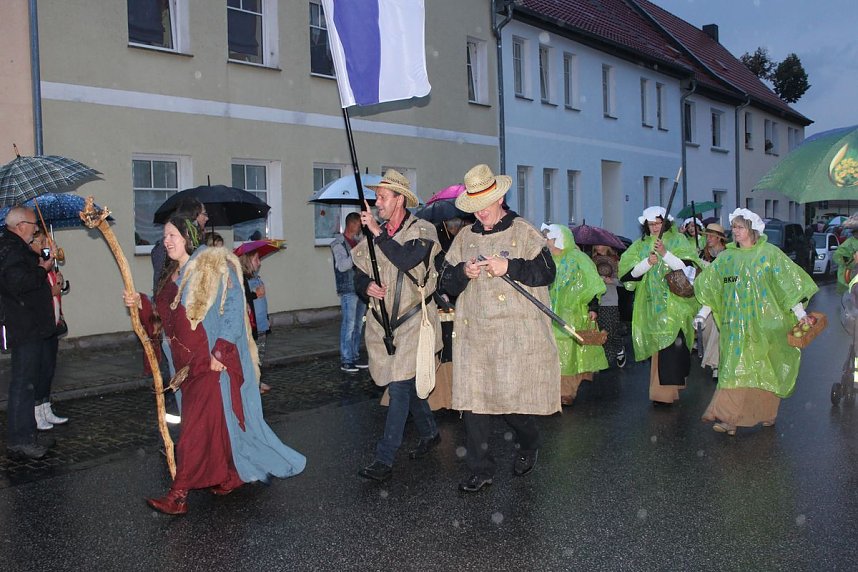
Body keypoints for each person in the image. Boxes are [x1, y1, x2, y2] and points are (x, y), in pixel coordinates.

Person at [123, 215, 305, 514]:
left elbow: (233, 307)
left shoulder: (214, 265)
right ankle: (230, 475)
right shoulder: (172, 275)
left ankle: (178, 495)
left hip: (209, 363)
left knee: (194, 429)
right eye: (164, 236)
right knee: (214, 425)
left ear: (187, 237)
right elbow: (162, 319)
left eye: (172, 235)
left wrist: (221, 351)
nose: (166, 241)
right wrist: (140, 303)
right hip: (185, 368)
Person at [440, 164, 560, 493]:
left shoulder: (523, 231)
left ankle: (529, 442)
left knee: (511, 404)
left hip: (514, 337)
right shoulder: (465, 238)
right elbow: (445, 282)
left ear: (500, 198)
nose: (480, 213)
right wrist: (462, 273)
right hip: (475, 336)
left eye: (485, 205)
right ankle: (480, 469)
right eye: (475, 208)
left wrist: (510, 265)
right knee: (475, 402)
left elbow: (547, 271)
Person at [352, 169, 442, 482]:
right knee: (408, 385)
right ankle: (430, 433)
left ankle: (384, 458)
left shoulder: (424, 230)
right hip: (383, 323)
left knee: (400, 384)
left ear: (400, 199)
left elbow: (406, 260)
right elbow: (358, 273)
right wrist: (366, 286)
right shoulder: (371, 236)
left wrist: (377, 232)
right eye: (376, 197)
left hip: (415, 319)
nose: (377, 203)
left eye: (382, 197)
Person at [694, 209, 817, 435]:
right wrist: (702, 313)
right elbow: (712, 288)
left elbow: (787, 287)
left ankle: (766, 413)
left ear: (752, 229)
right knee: (733, 369)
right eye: (734, 227)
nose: (735, 231)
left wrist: (801, 315)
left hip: (766, 327)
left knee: (765, 370)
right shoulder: (727, 258)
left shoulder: (770, 255)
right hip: (734, 329)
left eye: (740, 227)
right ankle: (728, 418)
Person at [619, 206, 700, 406]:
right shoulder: (639, 246)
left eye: (658, 223)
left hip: (675, 307)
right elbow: (627, 275)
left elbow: (689, 268)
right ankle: (668, 389)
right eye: (651, 224)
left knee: (670, 348)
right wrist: (647, 263)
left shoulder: (678, 241)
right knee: (658, 349)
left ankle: (662, 394)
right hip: (649, 307)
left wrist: (665, 254)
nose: (655, 227)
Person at [0, 207, 58, 459]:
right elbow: (19, 283)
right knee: (23, 383)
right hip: (24, 325)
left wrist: (42, 259)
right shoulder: (11, 249)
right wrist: (43, 268)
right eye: (34, 225)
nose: (36, 230)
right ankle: (20, 440)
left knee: (28, 381)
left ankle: (27, 434)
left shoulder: (16, 247)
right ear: (21, 225)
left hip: (30, 324)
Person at [543, 224, 608, 405]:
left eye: (549, 238)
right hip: (548, 313)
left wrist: (593, 307)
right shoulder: (545, 260)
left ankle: (566, 392)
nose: (546, 241)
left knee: (568, 352)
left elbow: (593, 284)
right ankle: (559, 388)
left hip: (574, 313)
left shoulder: (579, 258)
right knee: (556, 351)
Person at [29, 228, 69, 429]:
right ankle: (36, 412)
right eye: (44, 242)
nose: (49, 245)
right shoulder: (35, 265)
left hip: (53, 324)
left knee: (49, 368)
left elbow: (55, 292)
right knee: (40, 370)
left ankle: (46, 408)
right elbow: (34, 294)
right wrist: (52, 290)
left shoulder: (49, 266)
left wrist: (59, 283)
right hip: (39, 326)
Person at [330, 212, 367, 373]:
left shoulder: (357, 242)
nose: (360, 228)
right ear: (351, 224)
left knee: (358, 325)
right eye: (358, 224)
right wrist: (358, 251)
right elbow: (342, 266)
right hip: (348, 290)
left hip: (360, 289)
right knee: (349, 325)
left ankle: (354, 355)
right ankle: (346, 359)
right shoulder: (338, 244)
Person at [151, 197, 208, 293]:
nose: (207, 218)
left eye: (171, 235)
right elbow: (161, 292)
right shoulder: (167, 251)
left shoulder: (205, 259)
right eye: (204, 214)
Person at [696, 223, 728, 381]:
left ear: (718, 238)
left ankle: (716, 365)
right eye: (706, 235)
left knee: (717, 330)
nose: (708, 239)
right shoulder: (703, 254)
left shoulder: (728, 254)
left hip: (722, 299)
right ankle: (714, 361)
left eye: (711, 236)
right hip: (705, 298)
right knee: (706, 330)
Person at [238, 250, 271, 394]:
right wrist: (256, 294)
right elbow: (245, 300)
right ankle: (253, 384)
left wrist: (266, 319)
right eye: (256, 259)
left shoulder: (257, 278)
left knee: (260, 355)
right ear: (247, 261)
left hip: (262, 324)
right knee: (253, 356)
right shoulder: (243, 281)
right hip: (253, 326)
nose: (259, 262)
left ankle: (257, 381)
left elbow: (263, 303)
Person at [592, 244, 625, 368]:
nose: (598, 246)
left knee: (611, 331)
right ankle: (606, 358)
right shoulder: (591, 261)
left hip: (610, 301)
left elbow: (625, 281)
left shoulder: (616, 261)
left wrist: (612, 281)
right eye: (596, 244)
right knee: (600, 331)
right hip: (595, 301)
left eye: (601, 244)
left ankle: (619, 349)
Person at [833, 227, 858, 293]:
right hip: (851, 271)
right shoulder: (848, 243)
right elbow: (838, 255)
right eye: (855, 232)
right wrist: (847, 261)